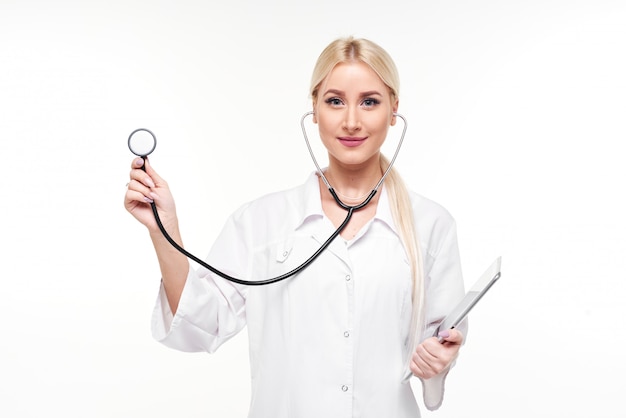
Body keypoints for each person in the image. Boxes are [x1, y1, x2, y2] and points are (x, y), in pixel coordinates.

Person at [124, 36, 467, 417]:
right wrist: (163, 229)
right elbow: (200, 323)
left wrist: (440, 358)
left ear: (393, 110)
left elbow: (436, 348)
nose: (351, 121)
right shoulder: (260, 222)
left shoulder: (430, 225)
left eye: (369, 101)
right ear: (315, 109)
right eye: (335, 101)